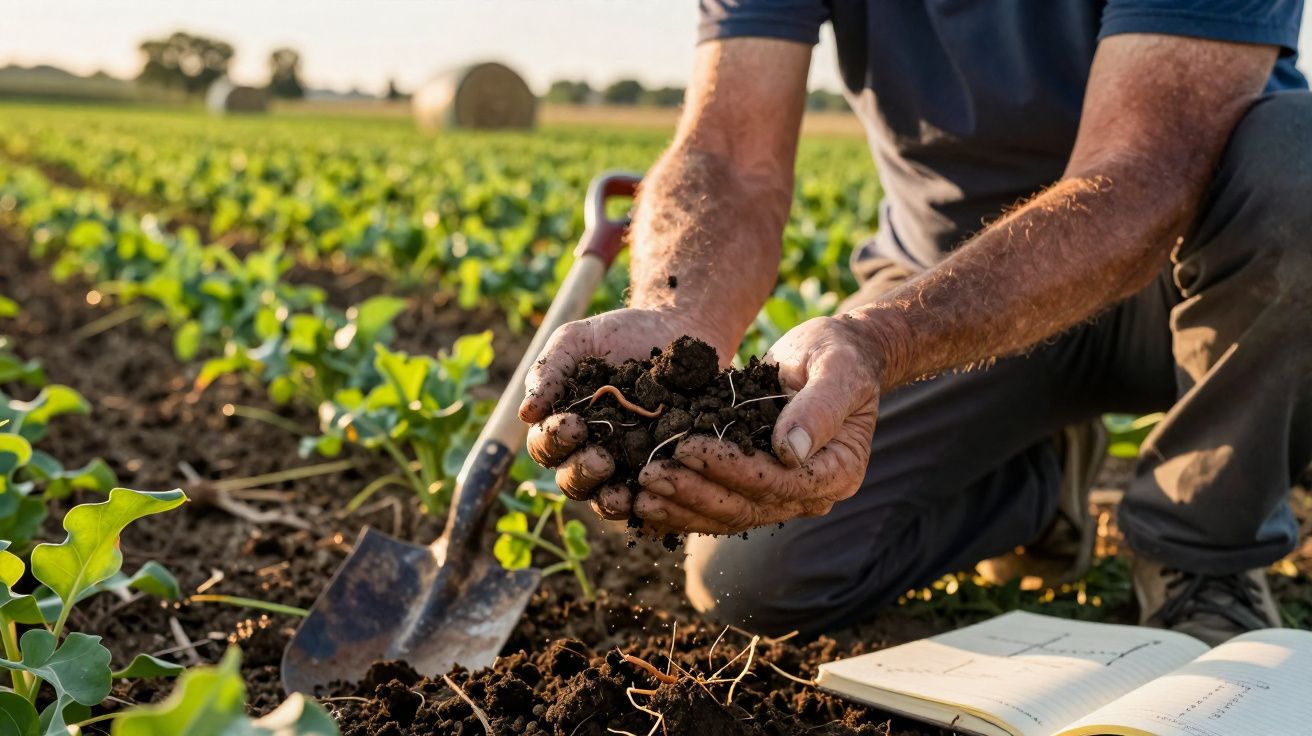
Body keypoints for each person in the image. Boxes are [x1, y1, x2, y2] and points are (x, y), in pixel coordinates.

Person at [520, 1, 1312, 646]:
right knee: (758, 574)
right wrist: (678, 315)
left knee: (1299, 161)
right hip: (957, 302)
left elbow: (1142, 171)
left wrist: (881, 340)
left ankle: (1205, 547)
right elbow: (730, 153)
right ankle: (1035, 476)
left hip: (1202, 281)